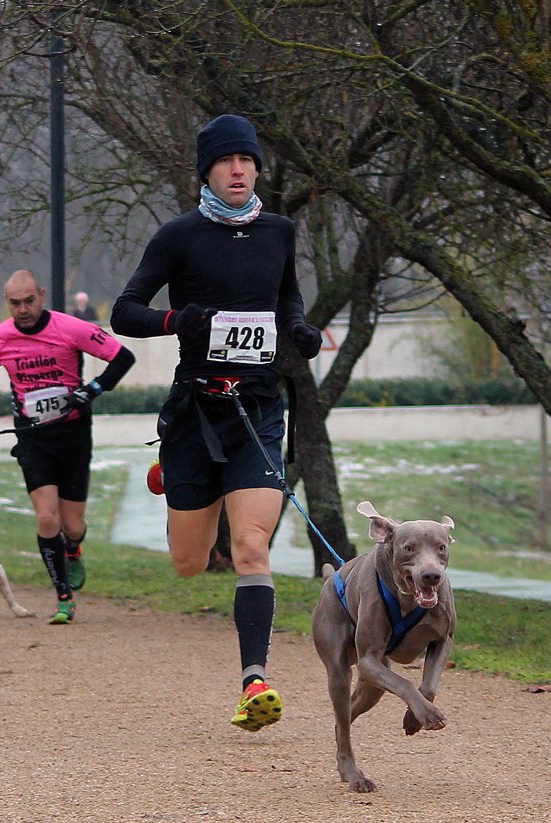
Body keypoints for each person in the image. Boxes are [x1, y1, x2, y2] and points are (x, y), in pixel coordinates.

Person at [110, 114, 323, 732]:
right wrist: (178, 321)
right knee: (189, 560)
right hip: (194, 411)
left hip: (256, 408)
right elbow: (125, 311)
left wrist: (299, 330)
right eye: (227, 161)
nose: (239, 170)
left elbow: (287, 297)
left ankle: (254, 679)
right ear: (206, 170)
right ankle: (174, 478)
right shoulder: (178, 236)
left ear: (258, 168)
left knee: (252, 546)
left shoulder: (279, 231)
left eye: (248, 161)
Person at [0, 269, 135, 624]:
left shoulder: (69, 327)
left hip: (73, 434)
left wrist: (92, 389)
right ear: (7, 303)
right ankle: (64, 598)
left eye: (29, 301)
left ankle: (73, 548)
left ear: (42, 295)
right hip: (32, 437)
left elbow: (123, 358)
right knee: (47, 516)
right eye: (15, 303)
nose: (23, 309)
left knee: (72, 525)